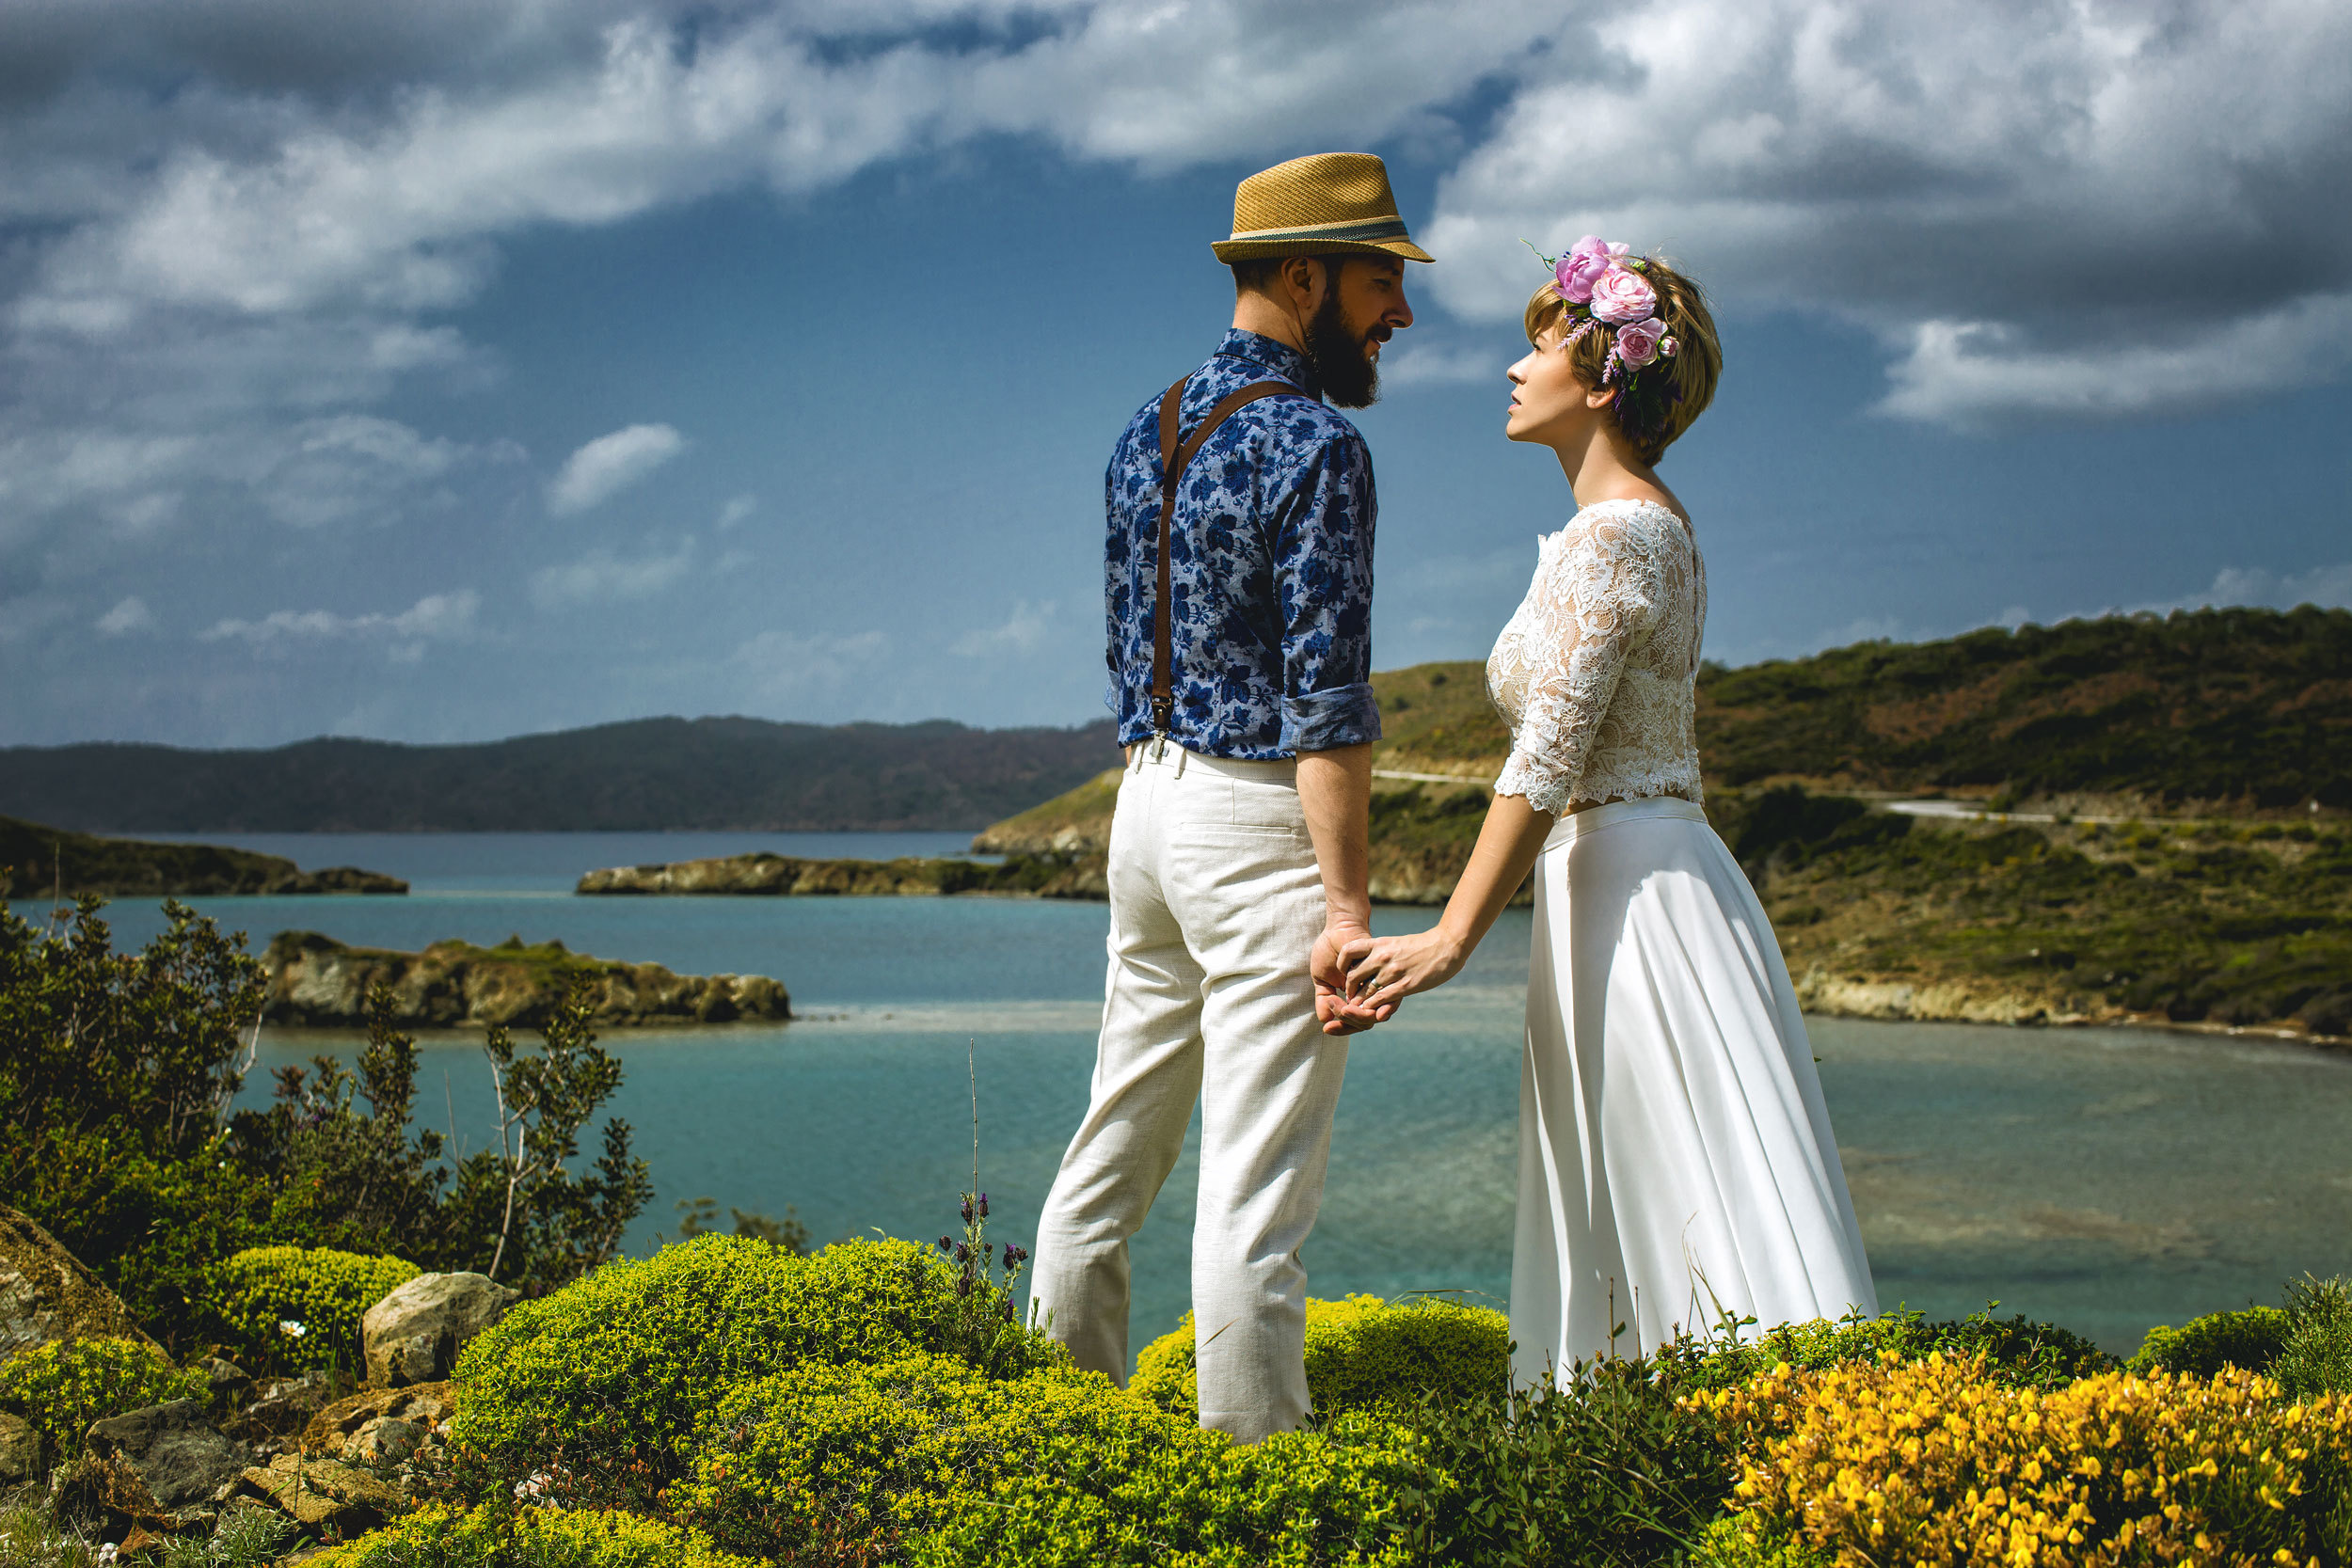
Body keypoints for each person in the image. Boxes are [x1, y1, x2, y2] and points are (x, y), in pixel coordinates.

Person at [1332, 238, 1877, 1383]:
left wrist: (1447, 935)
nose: (1515, 367)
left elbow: (1547, 751)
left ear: (1600, 379)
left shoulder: (1619, 530)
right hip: (1618, 879)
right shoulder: (1639, 523)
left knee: (1680, 1178)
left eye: (1540, 344)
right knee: (1644, 1186)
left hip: (1633, 893)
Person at [1025, 151, 1428, 1443]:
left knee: (1111, 1151)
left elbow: (1127, 642)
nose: (1398, 315)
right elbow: (1328, 696)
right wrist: (1350, 901)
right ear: (1304, 277)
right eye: (1380, 283)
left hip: (1141, 805)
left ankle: (1055, 1438)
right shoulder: (1320, 442)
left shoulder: (1139, 429)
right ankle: (1261, 1493)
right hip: (1255, 821)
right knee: (1255, 1204)